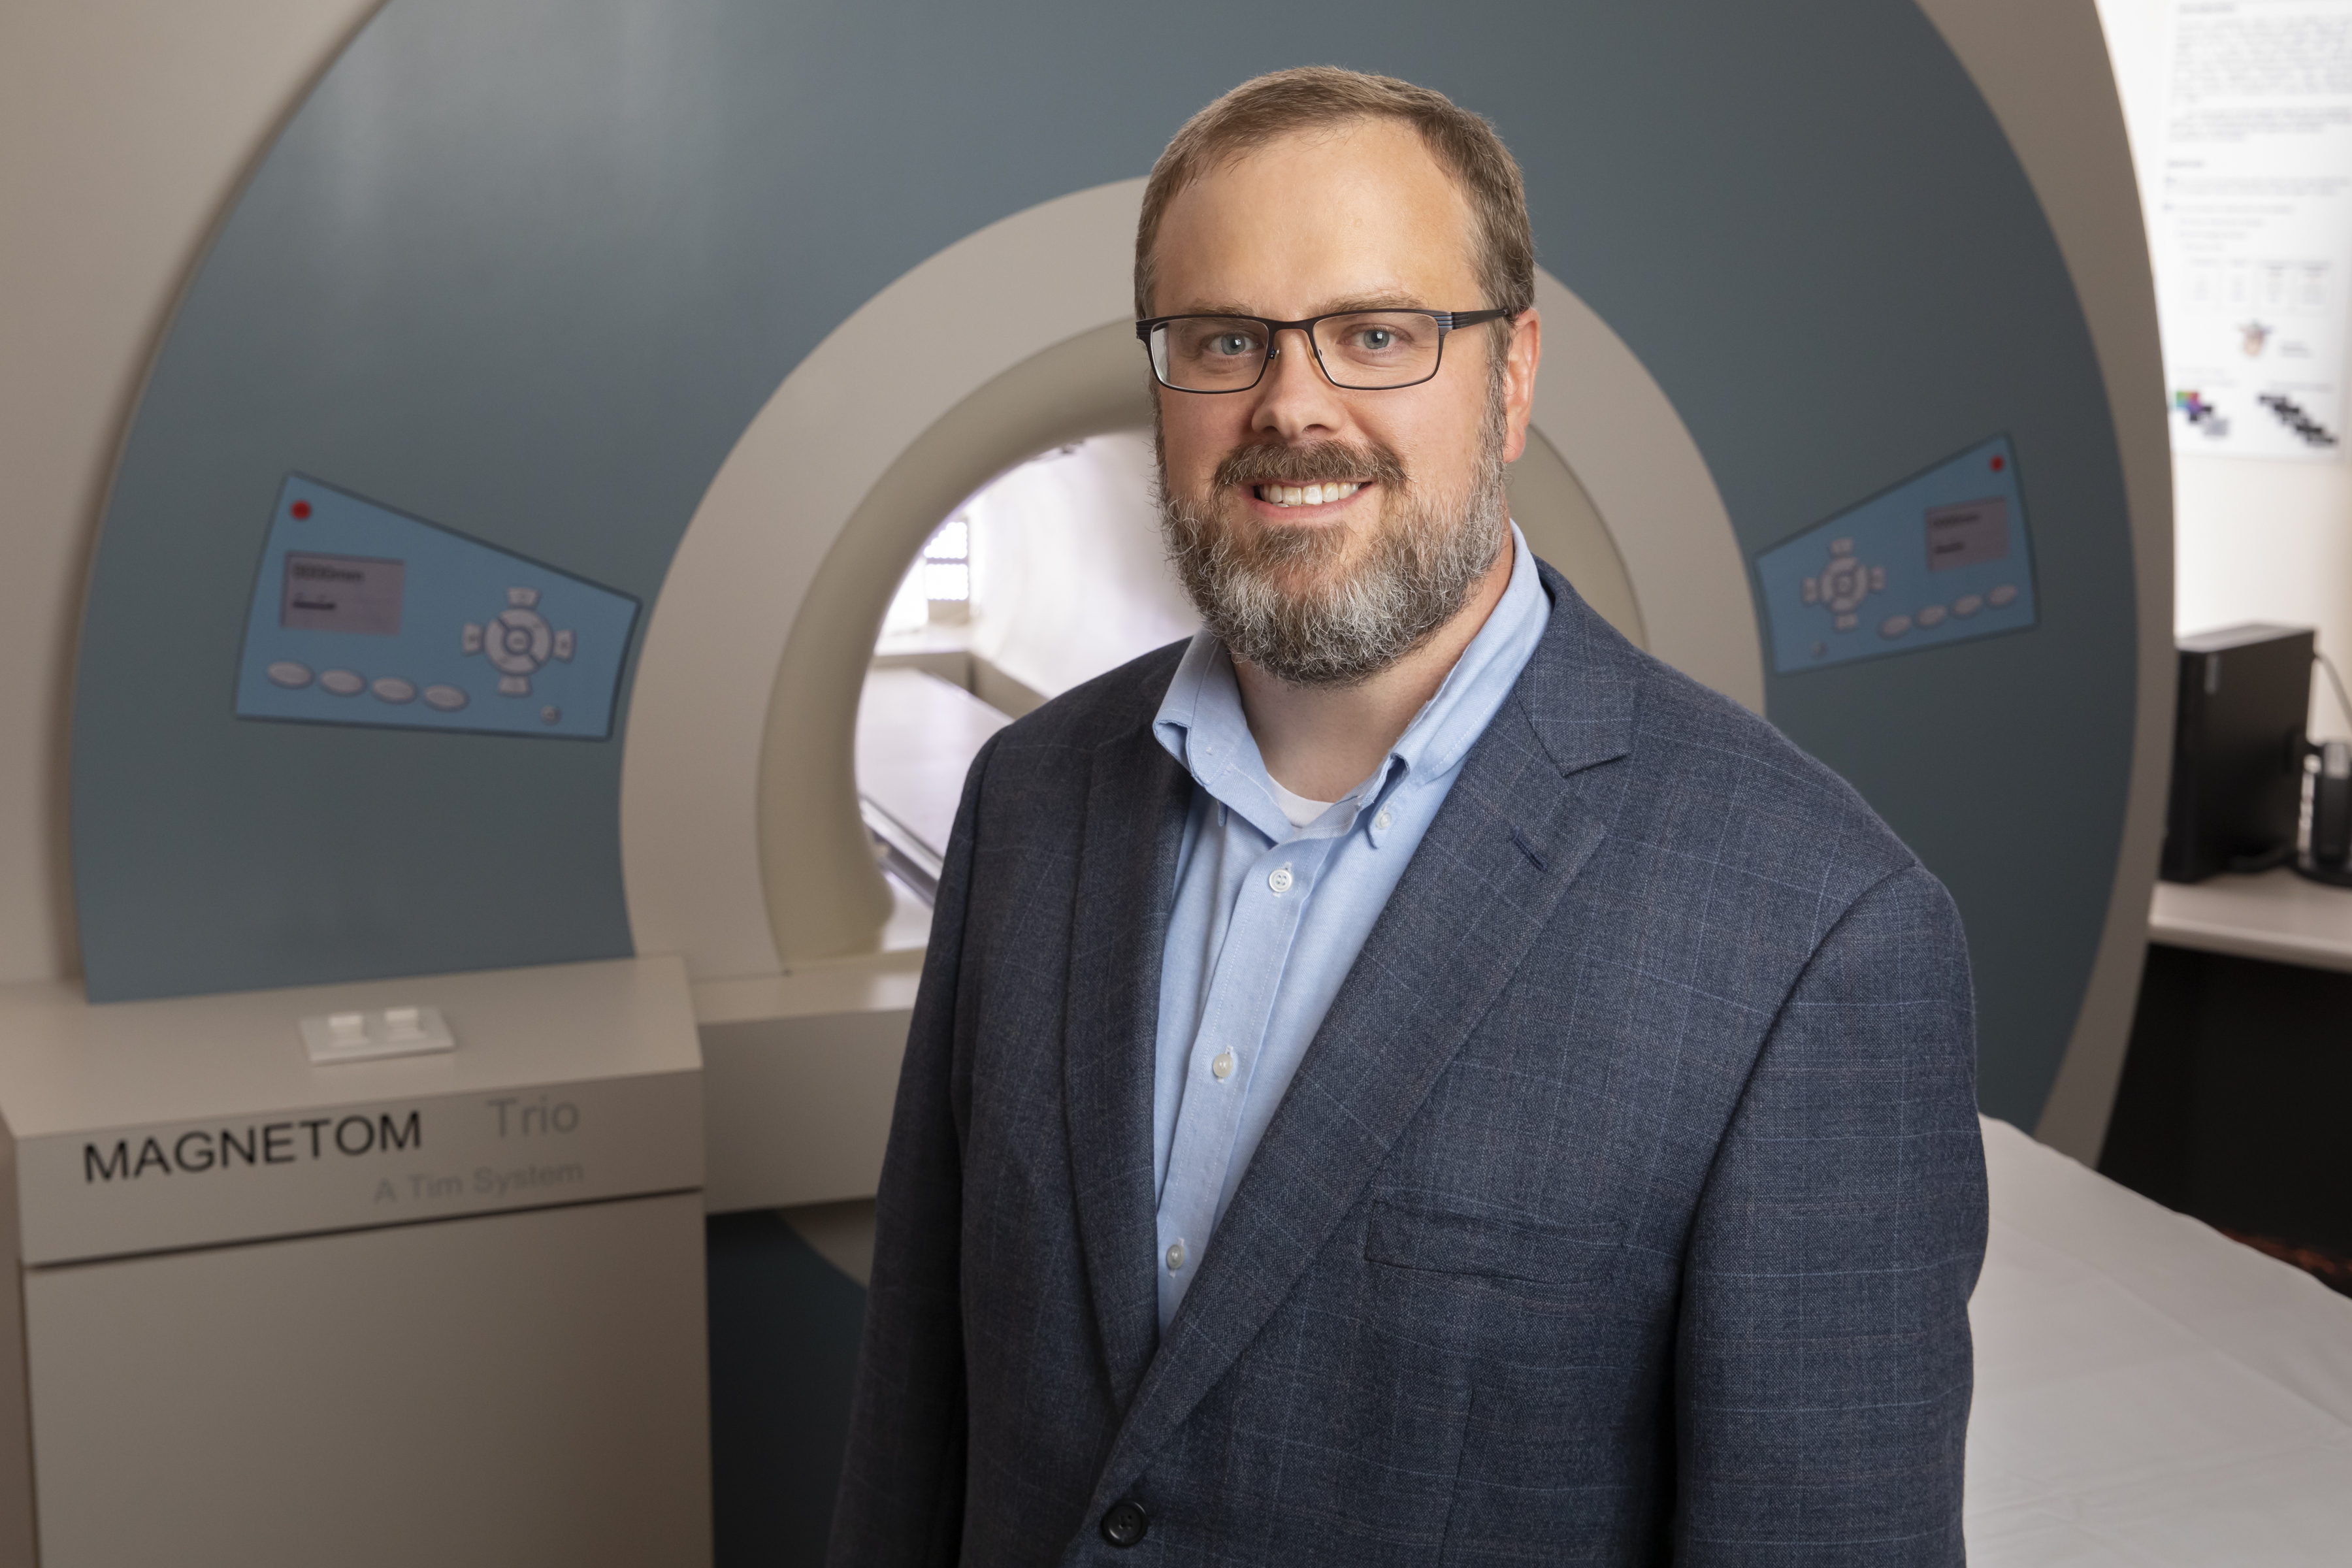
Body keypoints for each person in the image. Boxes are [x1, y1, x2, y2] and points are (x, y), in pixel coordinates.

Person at [832, 66, 1985, 1567]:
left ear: (1511, 378)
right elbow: (918, 1407)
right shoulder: (1033, 800)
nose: (1291, 404)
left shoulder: (1812, 933)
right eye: (1224, 339)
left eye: (1379, 335)